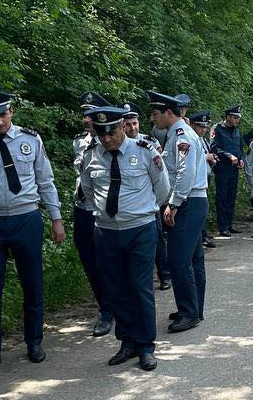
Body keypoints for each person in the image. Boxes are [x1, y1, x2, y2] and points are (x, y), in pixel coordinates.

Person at [81, 106, 170, 371]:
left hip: (140, 230)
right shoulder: (90, 156)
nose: (107, 139)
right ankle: (127, 341)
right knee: (116, 288)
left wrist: (139, 211)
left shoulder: (145, 151)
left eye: (111, 132)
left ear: (122, 127)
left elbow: (162, 188)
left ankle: (145, 346)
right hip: (106, 232)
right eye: (101, 134)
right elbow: (86, 190)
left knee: (140, 287)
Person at [0, 92, 66, 363]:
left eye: (2, 114)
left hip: (26, 219)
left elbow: (45, 180)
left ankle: (34, 341)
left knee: (32, 283)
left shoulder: (30, 139)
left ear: (11, 111)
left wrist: (57, 218)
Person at [147, 90, 208, 332]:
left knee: (179, 260)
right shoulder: (176, 134)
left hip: (187, 202)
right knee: (193, 259)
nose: (152, 119)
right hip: (190, 201)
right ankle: (194, 308)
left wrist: (173, 204)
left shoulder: (182, 135)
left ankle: (189, 312)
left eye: (154, 114)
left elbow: (185, 173)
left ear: (168, 113)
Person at [73, 92, 114, 337]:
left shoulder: (112, 141)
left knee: (109, 263)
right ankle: (105, 307)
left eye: (91, 115)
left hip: (104, 213)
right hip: (82, 209)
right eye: (84, 115)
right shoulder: (79, 142)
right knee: (90, 262)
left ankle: (115, 308)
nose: (86, 120)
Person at [119, 101, 171, 289]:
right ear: (121, 125)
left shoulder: (150, 142)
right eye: (128, 124)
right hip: (126, 206)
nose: (132, 127)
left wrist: (156, 202)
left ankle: (164, 275)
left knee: (157, 238)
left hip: (149, 201)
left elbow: (161, 176)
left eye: (135, 123)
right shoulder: (114, 146)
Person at [211, 105, 245, 236]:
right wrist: (228, 156)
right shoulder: (218, 129)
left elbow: (240, 147)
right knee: (222, 197)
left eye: (238, 118)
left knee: (231, 197)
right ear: (228, 117)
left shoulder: (237, 131)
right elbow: (214, 148)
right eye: (235, 117)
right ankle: (222, 226)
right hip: (222, 168)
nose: (237, 120)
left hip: (234, 169)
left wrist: (240, 158)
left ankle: (229, 224)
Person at [189, 111, 217, 249]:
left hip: (203, 181)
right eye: (201, 126)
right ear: (193, 125)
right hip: (193, 187)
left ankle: (203, 235)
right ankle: (201, 236)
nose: (204, 130)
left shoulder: (202, 140)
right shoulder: (190, 139)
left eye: (205, 127)